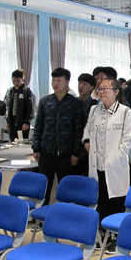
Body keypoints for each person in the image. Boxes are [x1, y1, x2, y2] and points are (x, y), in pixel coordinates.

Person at [82, 77, 131, 253]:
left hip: (115, 167)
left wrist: (115, 159)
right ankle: (102, 235)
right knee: (102, 201)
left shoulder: (125, 112)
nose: (102, 92)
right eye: (100, 89)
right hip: (97, 164)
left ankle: (115, 237)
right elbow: (87, 130)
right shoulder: (94, 110)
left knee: (116, 201)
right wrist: (87, 142)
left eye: (106, 89)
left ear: (116, 92)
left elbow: (127, 141)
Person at [32, 68, 85, 204]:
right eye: (53, 80)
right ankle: (42, 212)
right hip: (46, 151)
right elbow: (38, 126)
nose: (55, 84)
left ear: (67, 82)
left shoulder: (75, 103)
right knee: (44, 187)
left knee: (66, 188)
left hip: (66, 153)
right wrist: (36, 148)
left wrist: (76, 153)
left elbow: (79, 130)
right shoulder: (45, 101)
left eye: (59, 80)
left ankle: (65, 213)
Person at [4, 69, 34, 141]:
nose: (15, 83)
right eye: (13, 81)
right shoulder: (10, 91)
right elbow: (6, 106)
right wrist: (7, 121)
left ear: (22, 79)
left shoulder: (27, 91)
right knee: (12, 141)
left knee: (21, 142)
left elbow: (30, 108)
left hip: (23, 123)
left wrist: (26, 122)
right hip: (12, 122)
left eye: (18, 81)